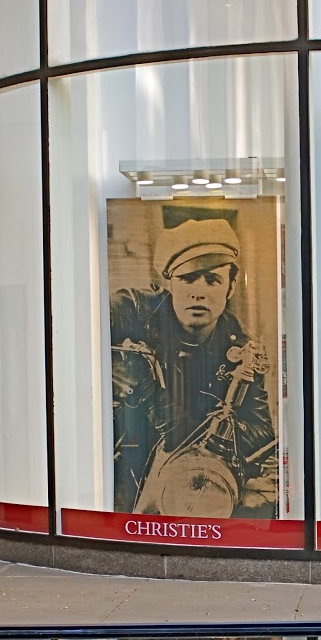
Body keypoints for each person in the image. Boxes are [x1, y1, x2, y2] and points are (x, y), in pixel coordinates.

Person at [110, 218, 277, 517]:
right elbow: (70, 337)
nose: (199, 293)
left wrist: (218, 429)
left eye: (212, 280)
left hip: (191, 477)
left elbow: (262, 429)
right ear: (168, 283)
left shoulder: (242, 348)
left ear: (231, 286)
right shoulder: (131, 310)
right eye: (187, 279)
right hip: (122, 462)